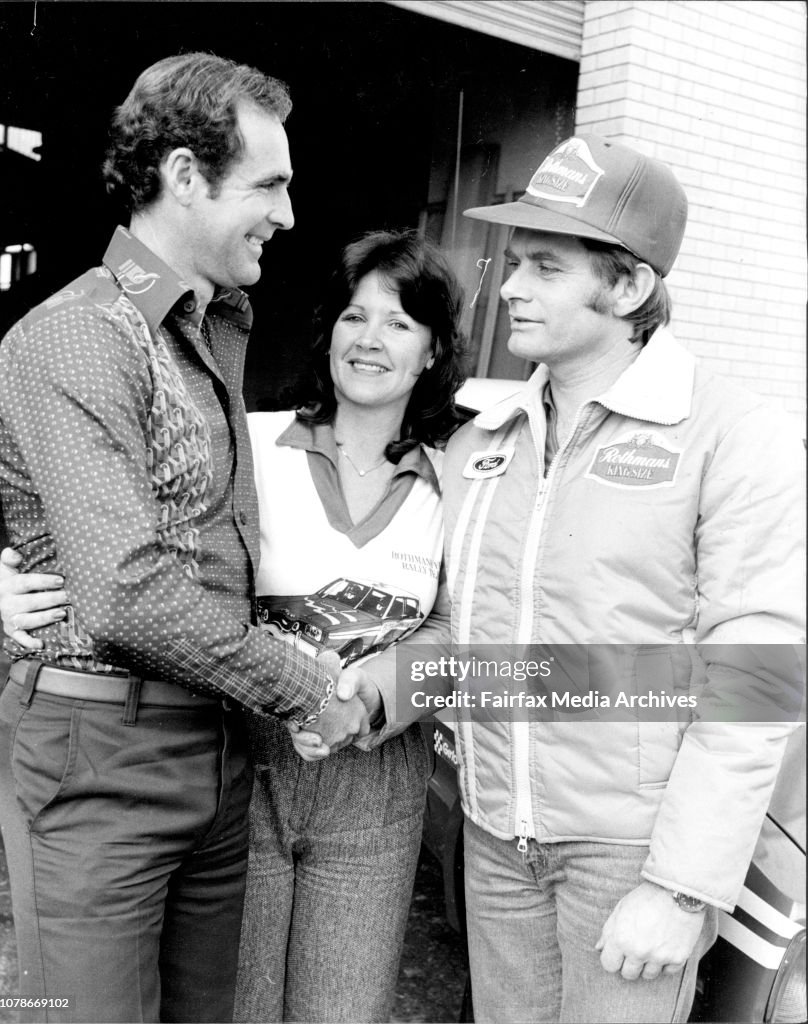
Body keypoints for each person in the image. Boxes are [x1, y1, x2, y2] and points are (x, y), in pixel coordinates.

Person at [334, 134, 805, 1023]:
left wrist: (680, 887)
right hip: (495, 838)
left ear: (628, 288)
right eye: (515, 263)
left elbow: (754, 681)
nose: (509, 286)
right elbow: (463, 634)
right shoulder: (487, 439)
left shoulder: (732, 438)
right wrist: (379, 684)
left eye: (546, 267)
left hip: (629, 855)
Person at [0, 229, 468, 1023]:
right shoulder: (249, 442)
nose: (370, 339)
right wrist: (38, 596)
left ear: (432, 351)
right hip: (240, 762)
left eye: (398, 322)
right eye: (355, 317)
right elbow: (139, 554)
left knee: (342, 1010)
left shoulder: (460, 475)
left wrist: (375, 696)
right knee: (232, 1005)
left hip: (376, 782)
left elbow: (462, 630)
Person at [0, 52, 372, 1024]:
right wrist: (307, 685)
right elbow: (124, 592)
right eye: (270, 183)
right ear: (184, 176)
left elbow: (203, 544)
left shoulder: (204, 329)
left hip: (212, 745)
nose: (287, 213)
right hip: (99, 759)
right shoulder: (76, 336)